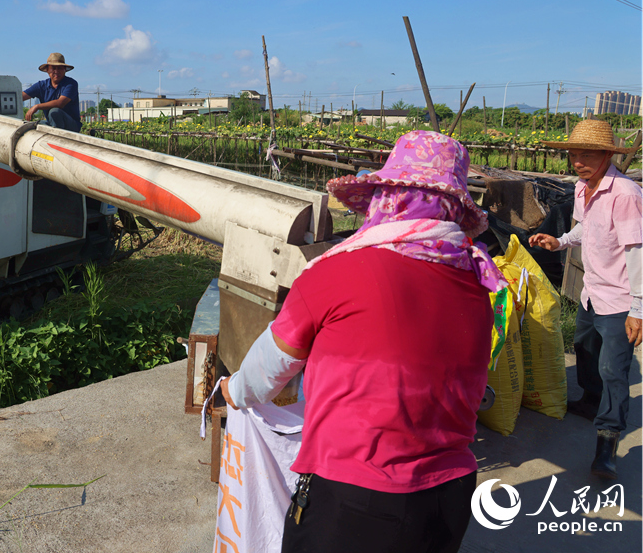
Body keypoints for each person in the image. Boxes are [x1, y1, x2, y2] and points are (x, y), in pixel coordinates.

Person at [221, 130, 508, 553]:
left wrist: (234, 390)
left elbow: (266, 373)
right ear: (450, 211)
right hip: (448, 496)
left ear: (387, 198)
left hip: (355, 499)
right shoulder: (479, 284)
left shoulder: (335, 273)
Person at [529, 119, 641, 480]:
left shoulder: (625, 194)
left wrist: (638, 309)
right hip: (592, 292)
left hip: (620, 298)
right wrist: (560, 242)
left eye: (587, 154)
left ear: (608, 154)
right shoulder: (582, 187)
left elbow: (637, 251)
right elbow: (583, 227)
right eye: (575, 154)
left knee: (614, 370)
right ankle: (591, 401)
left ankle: (606, 443)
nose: (579, 161)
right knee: (585, 349)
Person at [22, 52, 82, 132]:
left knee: (54, 112)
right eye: (53, 68)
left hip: (71, 126)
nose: (56, 71)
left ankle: (57, 137)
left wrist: (37, 106)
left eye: (60, 68)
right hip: (52, 124)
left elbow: (60, 103)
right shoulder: (41, 85)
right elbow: (20, 97)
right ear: (47, 70)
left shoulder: (71, 84)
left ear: (64, 70)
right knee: (33, 125)